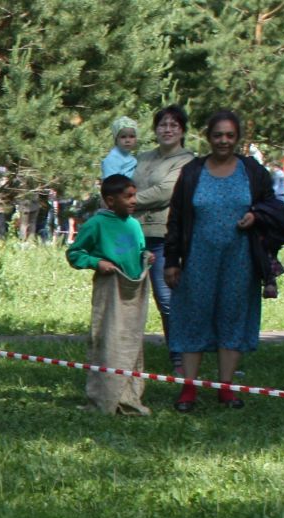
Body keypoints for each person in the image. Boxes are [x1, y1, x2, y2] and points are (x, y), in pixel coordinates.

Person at [163, 110, 275, 411]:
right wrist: (172, 260)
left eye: (229, 135)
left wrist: (257, 215)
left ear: (237, 138)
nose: (223, 140)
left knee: (233, 317)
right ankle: (190, 388)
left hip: (240, 259)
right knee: (192, 318)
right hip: (198, 258)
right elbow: (176, 219)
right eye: (217, 135)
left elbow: (272, 206)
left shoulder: (252, 171)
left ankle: (226, 388)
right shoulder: (192, 172)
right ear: (208, 137)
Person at [67, 174, 151, 414]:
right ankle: (104, 398)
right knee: (108, 340)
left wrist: (146, 257)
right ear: (111, 201)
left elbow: (139, 249)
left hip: (133, 291)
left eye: (135, 195)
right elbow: (75, 253)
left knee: (130, 343)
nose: (134, 201)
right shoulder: (97, 224)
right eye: (128, 196)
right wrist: (96, 262)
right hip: (110, 289)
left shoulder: (134, 224)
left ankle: (129, 397)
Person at [131, 107, 195, 372]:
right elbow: (123, 183)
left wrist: (129, 201)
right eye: (162, 125)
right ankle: (125, 358)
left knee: (167, 299)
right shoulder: (143, 157)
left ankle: (179, 356)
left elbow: (166, 191)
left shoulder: (187, 160)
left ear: (182, 130)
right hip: (132, 235)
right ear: (155, 129)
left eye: (174, 125)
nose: (167, 129)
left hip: (163, 237)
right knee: (128, 298)